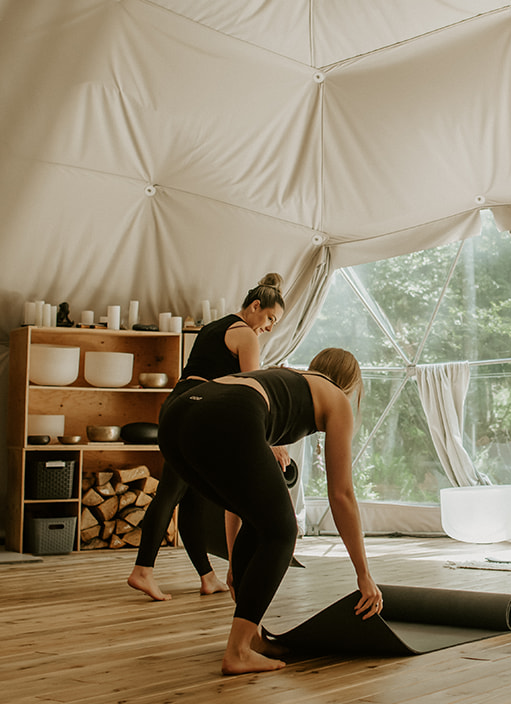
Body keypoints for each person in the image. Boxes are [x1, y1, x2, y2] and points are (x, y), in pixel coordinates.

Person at [157, 347, 379, 674]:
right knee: (282, 531)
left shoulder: (285, 384)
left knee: (264, 521)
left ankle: (252, 639)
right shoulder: (337, 400)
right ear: (351, 384)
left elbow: (239, 504)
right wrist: (364, 574)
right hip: (227, 413)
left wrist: (235, 564)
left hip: (176, 416)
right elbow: (342, 494)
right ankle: (237, 651)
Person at [126, 274, 287, 601]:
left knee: (192, 497)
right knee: (171, 491)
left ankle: (207, 576)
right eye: (270, 318)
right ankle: (142, 570)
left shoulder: (216, 326)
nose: (270, 327)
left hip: (181, 405)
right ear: (255, 306)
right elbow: (252, 391)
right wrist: (272, 441)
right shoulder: (246, 335)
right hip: (193, 413)